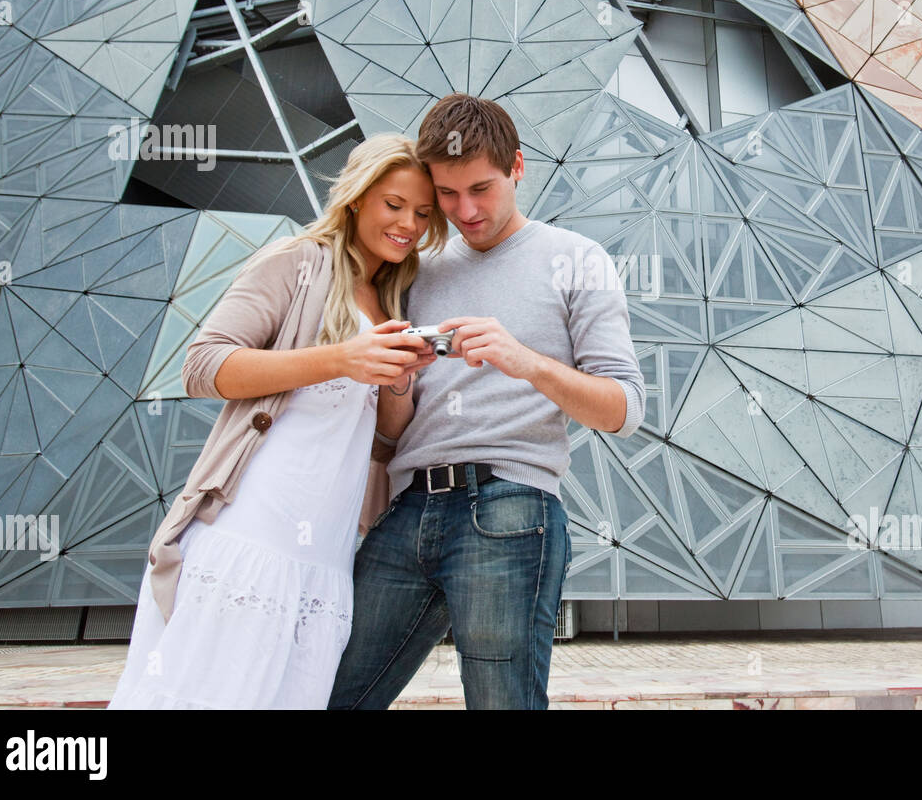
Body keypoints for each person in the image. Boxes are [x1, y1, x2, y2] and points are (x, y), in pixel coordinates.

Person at [328, 93, 646, 710]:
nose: (465, 211)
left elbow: (624, 409)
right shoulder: (412, 266)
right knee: (332, 693)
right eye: (446, 194)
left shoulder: (577, 260)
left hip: (510, 508)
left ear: (518, 168)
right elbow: (390, 428)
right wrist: (396, 378)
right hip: (407, 506)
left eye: (482, 188)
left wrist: (524, 360)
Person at [108, 133, 447, 709]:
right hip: (251, 528)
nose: (409, 224)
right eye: (394, 204)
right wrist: (342, 358)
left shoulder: (394, 299)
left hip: (326, 550)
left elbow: (384, 441)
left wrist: (396, 385)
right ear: (358, 198)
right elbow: (203, 364)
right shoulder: (297, 263)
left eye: (422, 212)